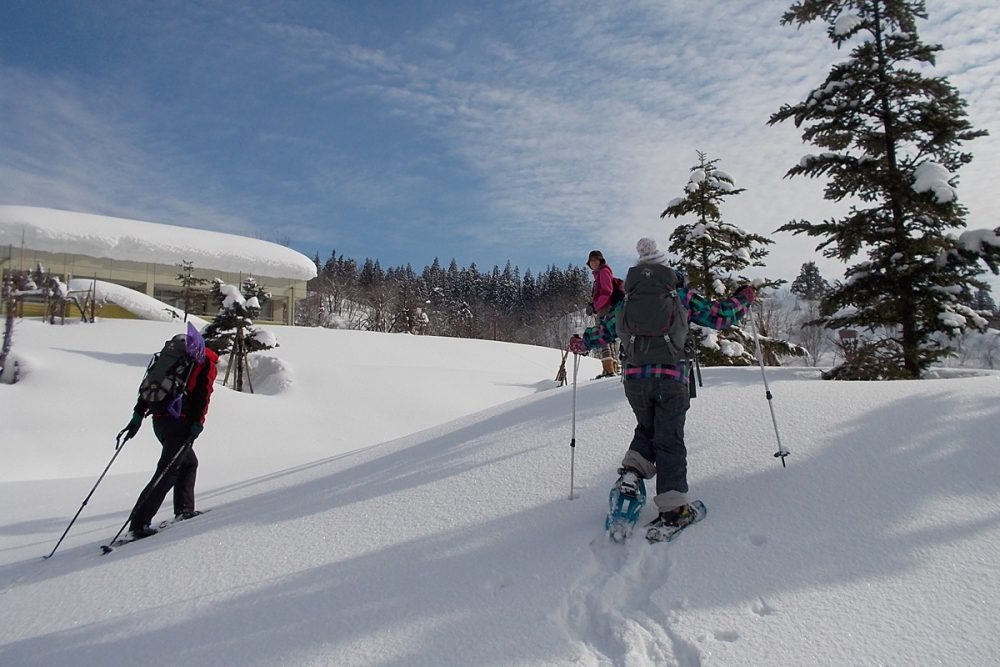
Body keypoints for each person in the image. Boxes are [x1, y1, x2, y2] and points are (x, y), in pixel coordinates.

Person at [570, 238, 756, 532]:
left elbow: (604, 332)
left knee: (648, 428)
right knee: (669, 438)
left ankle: (631, 475)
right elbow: (719, 317)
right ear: (665, 267)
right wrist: (744, 297)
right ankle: (673, 510)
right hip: (671, 378)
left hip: (635, 380)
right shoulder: (679, 295)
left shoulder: (627, 300)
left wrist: (581, 343)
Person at [120, 334, 219, 539]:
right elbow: (203, 395)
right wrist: (197, 424)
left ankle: (184, 509)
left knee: (188, 463)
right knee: (167, 471)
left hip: (159, 420)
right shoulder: (204, 363)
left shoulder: (171, 360)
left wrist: (138, 415)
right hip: (180, 423)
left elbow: (149, 386)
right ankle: (139, 523)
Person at [586, 250, 621, 378]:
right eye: (591, 261)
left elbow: (606, 292)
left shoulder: (604, 272)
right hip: (606, 308)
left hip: (606, 309)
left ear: (601, 261)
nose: (594, 262)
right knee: (609, 338)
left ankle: (609, 369)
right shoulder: (600, 274)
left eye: (596, 260)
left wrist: (595, 306)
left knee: (603, 337)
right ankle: (612, 368)